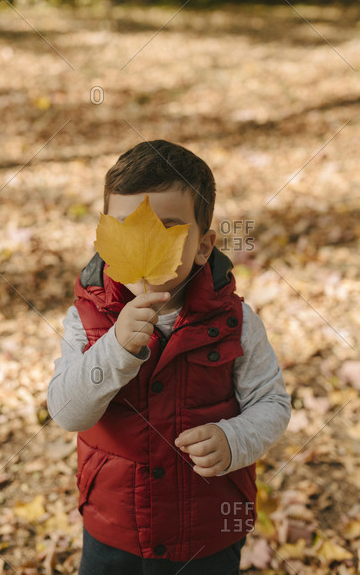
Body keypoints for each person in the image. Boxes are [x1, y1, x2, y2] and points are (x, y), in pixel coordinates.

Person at [47, 140, 291, 574]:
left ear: (203, 246)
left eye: (169, 228)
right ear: (105, 237)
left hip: (206, 529)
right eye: (126, 228)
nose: (146, 242)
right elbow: (67, 412)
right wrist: (115, 347)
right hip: (114, 524)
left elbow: (272, 404)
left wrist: (233, 440)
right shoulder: (86, 321)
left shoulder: (238, 323)